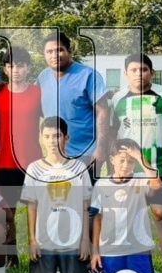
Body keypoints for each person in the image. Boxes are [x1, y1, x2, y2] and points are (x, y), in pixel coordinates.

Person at [109, 53, 162, 273]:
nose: (139, 74)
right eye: (134, 70)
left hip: (158, 169)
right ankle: (136, 266)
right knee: (129, 219)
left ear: (151, 72)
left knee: (160, 215)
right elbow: (111, 134)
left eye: (144, 70)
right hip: (127, 171)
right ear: (126, 73)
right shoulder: (117, 99)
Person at [21, 117, 93, 273]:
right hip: (45, 242)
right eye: (47, 136)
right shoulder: (34, 169)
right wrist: (32, 240)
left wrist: (85, 241)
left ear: (66, 138)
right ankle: (55, 272)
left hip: (73, 243)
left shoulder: (79, 168)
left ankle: (65, 272)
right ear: (41, 138)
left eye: (57, 136)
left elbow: (85, 207)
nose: (52, 141)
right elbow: (32, 206)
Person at [89, 140, 161, 273]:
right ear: (112, 159)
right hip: (110, 249)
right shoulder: (101, 184)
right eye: (122, 160)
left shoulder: (140, 179)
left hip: (137, 248)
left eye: (131, 161)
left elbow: (157, 184)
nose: (126, 165)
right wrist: (95, 251)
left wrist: (140, 157)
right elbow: (97, 218)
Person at [37, 32, 109, 176]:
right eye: (49, 51)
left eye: (59, 50)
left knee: (86, 197)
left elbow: (103, 112)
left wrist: (100, 148)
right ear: (44, 55)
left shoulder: (88, 75)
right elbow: (30, 101)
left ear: (69, 51)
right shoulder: (43, 77)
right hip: (56, 154)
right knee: (59, 196)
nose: (54, 55)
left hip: (86, 153)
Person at [0, 46, 42, 192]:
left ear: (28, 68)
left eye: (20, 66)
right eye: (10, 66)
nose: (15, 70)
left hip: (33, 162)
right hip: (5, 163)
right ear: (5, 69)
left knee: (35, 209)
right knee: (3, 213)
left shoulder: (38, 93)